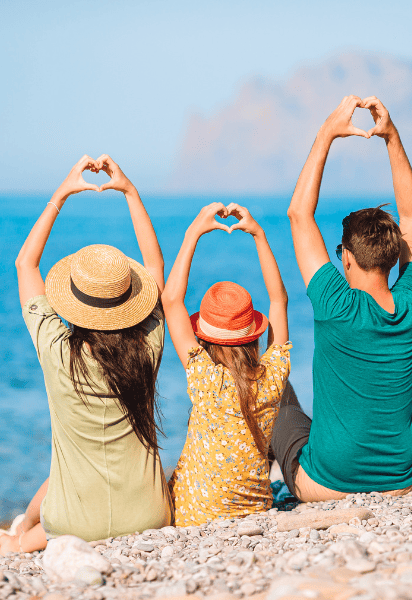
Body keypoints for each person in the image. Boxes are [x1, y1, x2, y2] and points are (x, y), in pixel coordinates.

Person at [0, 155, 173, 555]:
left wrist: (61, 193)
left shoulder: (56, 349)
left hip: (73, 522)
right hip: (149, 515)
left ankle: (19, 539)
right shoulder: (148, 344)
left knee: (55, 501)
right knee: (66, 488)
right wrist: (130, 190)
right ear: (129, 298)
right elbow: (155, 264)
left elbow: (25, 263)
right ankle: (23, 532)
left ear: (74, 302)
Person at [270, 95, 412, 502]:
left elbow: (299, 215)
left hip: (325, 486)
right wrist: (392, 137)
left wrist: (327, 131)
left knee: (277, 398)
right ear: (396, 255)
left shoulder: (335, 305)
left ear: (344, 256)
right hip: (401, 481)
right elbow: (411, 218)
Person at [161, 202, 290, 525]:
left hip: (193, 514)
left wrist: (193, 232)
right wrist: (259, 235)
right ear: (253, 335)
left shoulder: (206, 378)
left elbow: (171, 300)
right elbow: (278, 300)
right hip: (257, 509)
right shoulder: (273, 377)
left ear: (203, 336)